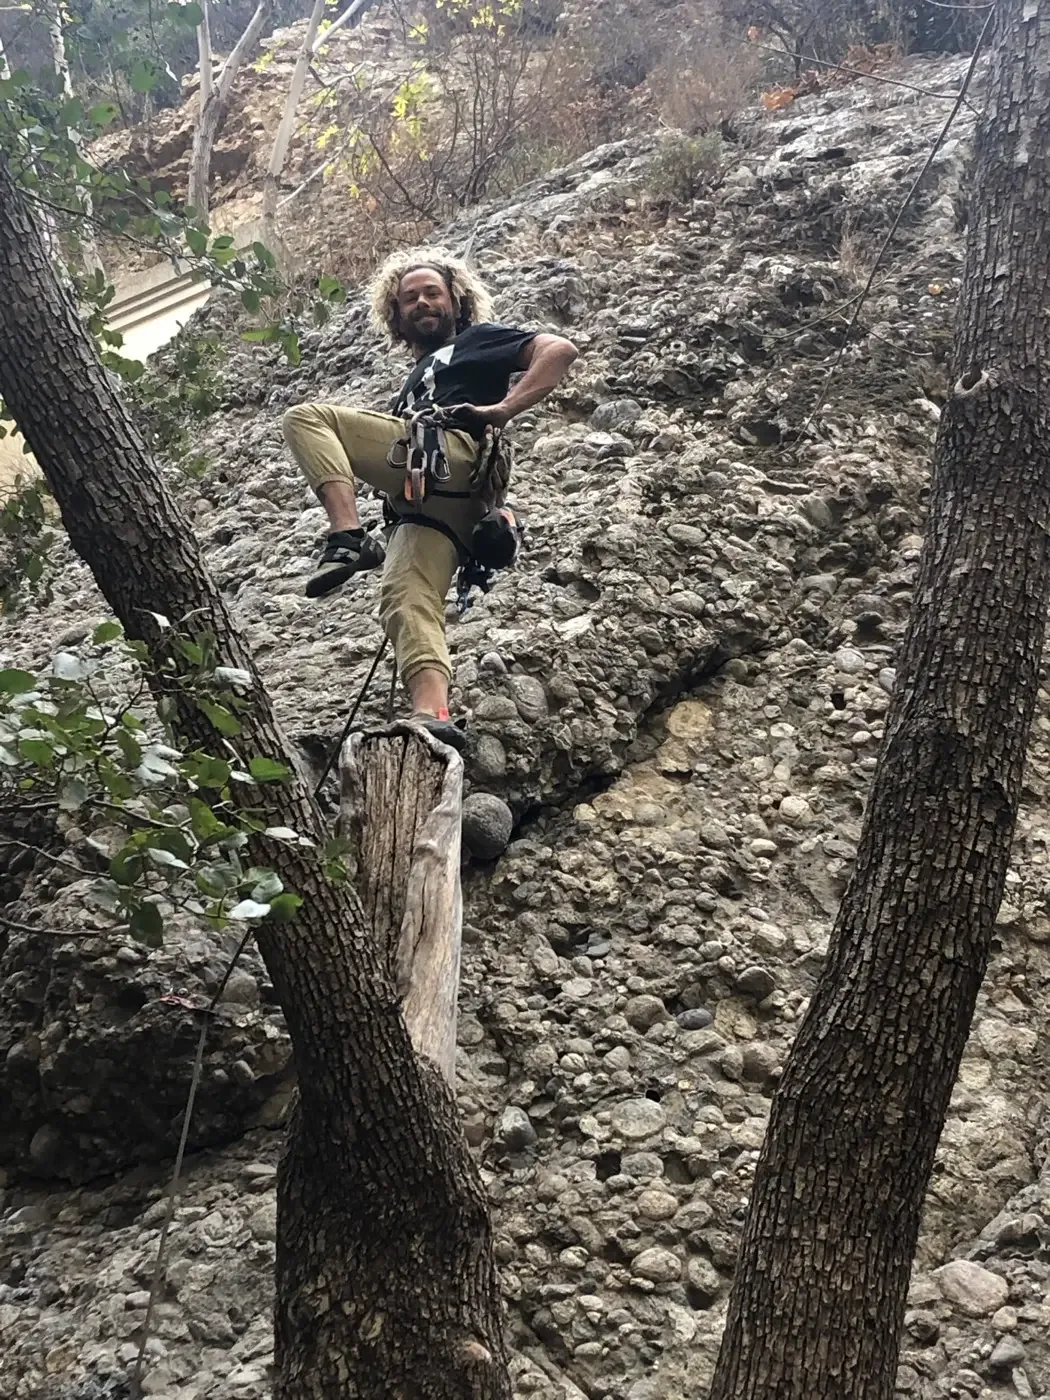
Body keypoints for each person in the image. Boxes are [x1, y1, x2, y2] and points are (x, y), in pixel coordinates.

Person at [283, 246, 578, 745]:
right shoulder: (411, 383)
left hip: (451, 453)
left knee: (309, 419)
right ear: (396, 316)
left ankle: (349, 537)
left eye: (432, 293)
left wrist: (503, 409)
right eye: (410, 298)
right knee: (404, 599)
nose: (422, 302)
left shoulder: (479, 340)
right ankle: (432, 714)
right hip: (433, 504)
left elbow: (559, 350)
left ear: (456, 302)